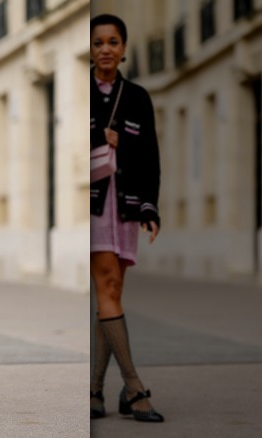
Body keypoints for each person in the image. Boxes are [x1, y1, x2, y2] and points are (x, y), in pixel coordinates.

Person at [89, 14, 164, 422]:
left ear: (123, 47)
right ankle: (134, 388)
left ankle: (95, 390)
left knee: (112, 292)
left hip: (126, 205)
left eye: (112, 42)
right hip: (93, 207)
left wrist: (149, 206)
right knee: (109, 285)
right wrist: (99, 136)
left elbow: (150, 156)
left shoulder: (137, 96)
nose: (105, 49)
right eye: (98, 42)